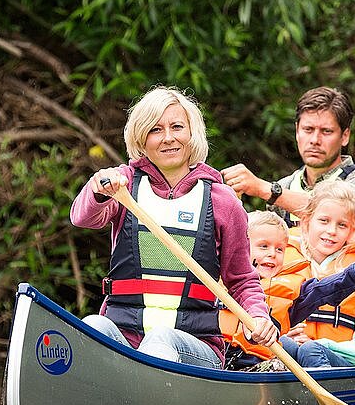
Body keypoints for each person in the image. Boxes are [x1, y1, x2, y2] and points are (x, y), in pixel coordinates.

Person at [70, 85, 277, 369]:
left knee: (162, 338)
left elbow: (241, 280)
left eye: (177, 127)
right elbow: (82, 218)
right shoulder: (123, 187)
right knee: (92, 325)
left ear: (191, 134)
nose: (168, 138)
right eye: (155, 130)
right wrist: (98, 188)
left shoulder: (222, 201)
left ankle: (150, 402)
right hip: (126, 338)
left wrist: (259, 317)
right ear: (142, 139)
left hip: (194, 346)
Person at [222, 86, 355, 359]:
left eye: (326, 132)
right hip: (299, 299)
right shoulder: (286, 185)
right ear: (297, 131)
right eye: (308, 130)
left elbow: (328, 206)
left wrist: (266, 190)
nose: (315, 140)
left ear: (345, 136)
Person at [220, 210, 355, 369]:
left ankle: (321, 389)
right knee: (289, 343)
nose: (272, 254)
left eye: (279, 249)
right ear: (241, 247)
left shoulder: (290, 289)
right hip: (219, 358)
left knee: (292, 347)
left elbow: (325, 289)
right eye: (263, 246)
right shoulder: (216, 279)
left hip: (258, 366)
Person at [282, 179, 355, 368]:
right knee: (284, 344)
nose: (331, 231)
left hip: (336, 362)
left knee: (309, 350)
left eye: (342, 225)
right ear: (306, 222)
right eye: (324, 221)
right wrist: (284, 336)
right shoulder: (281, 266)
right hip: (291, 357)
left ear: (351, 232)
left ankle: (320, 392)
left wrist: (319, 345)